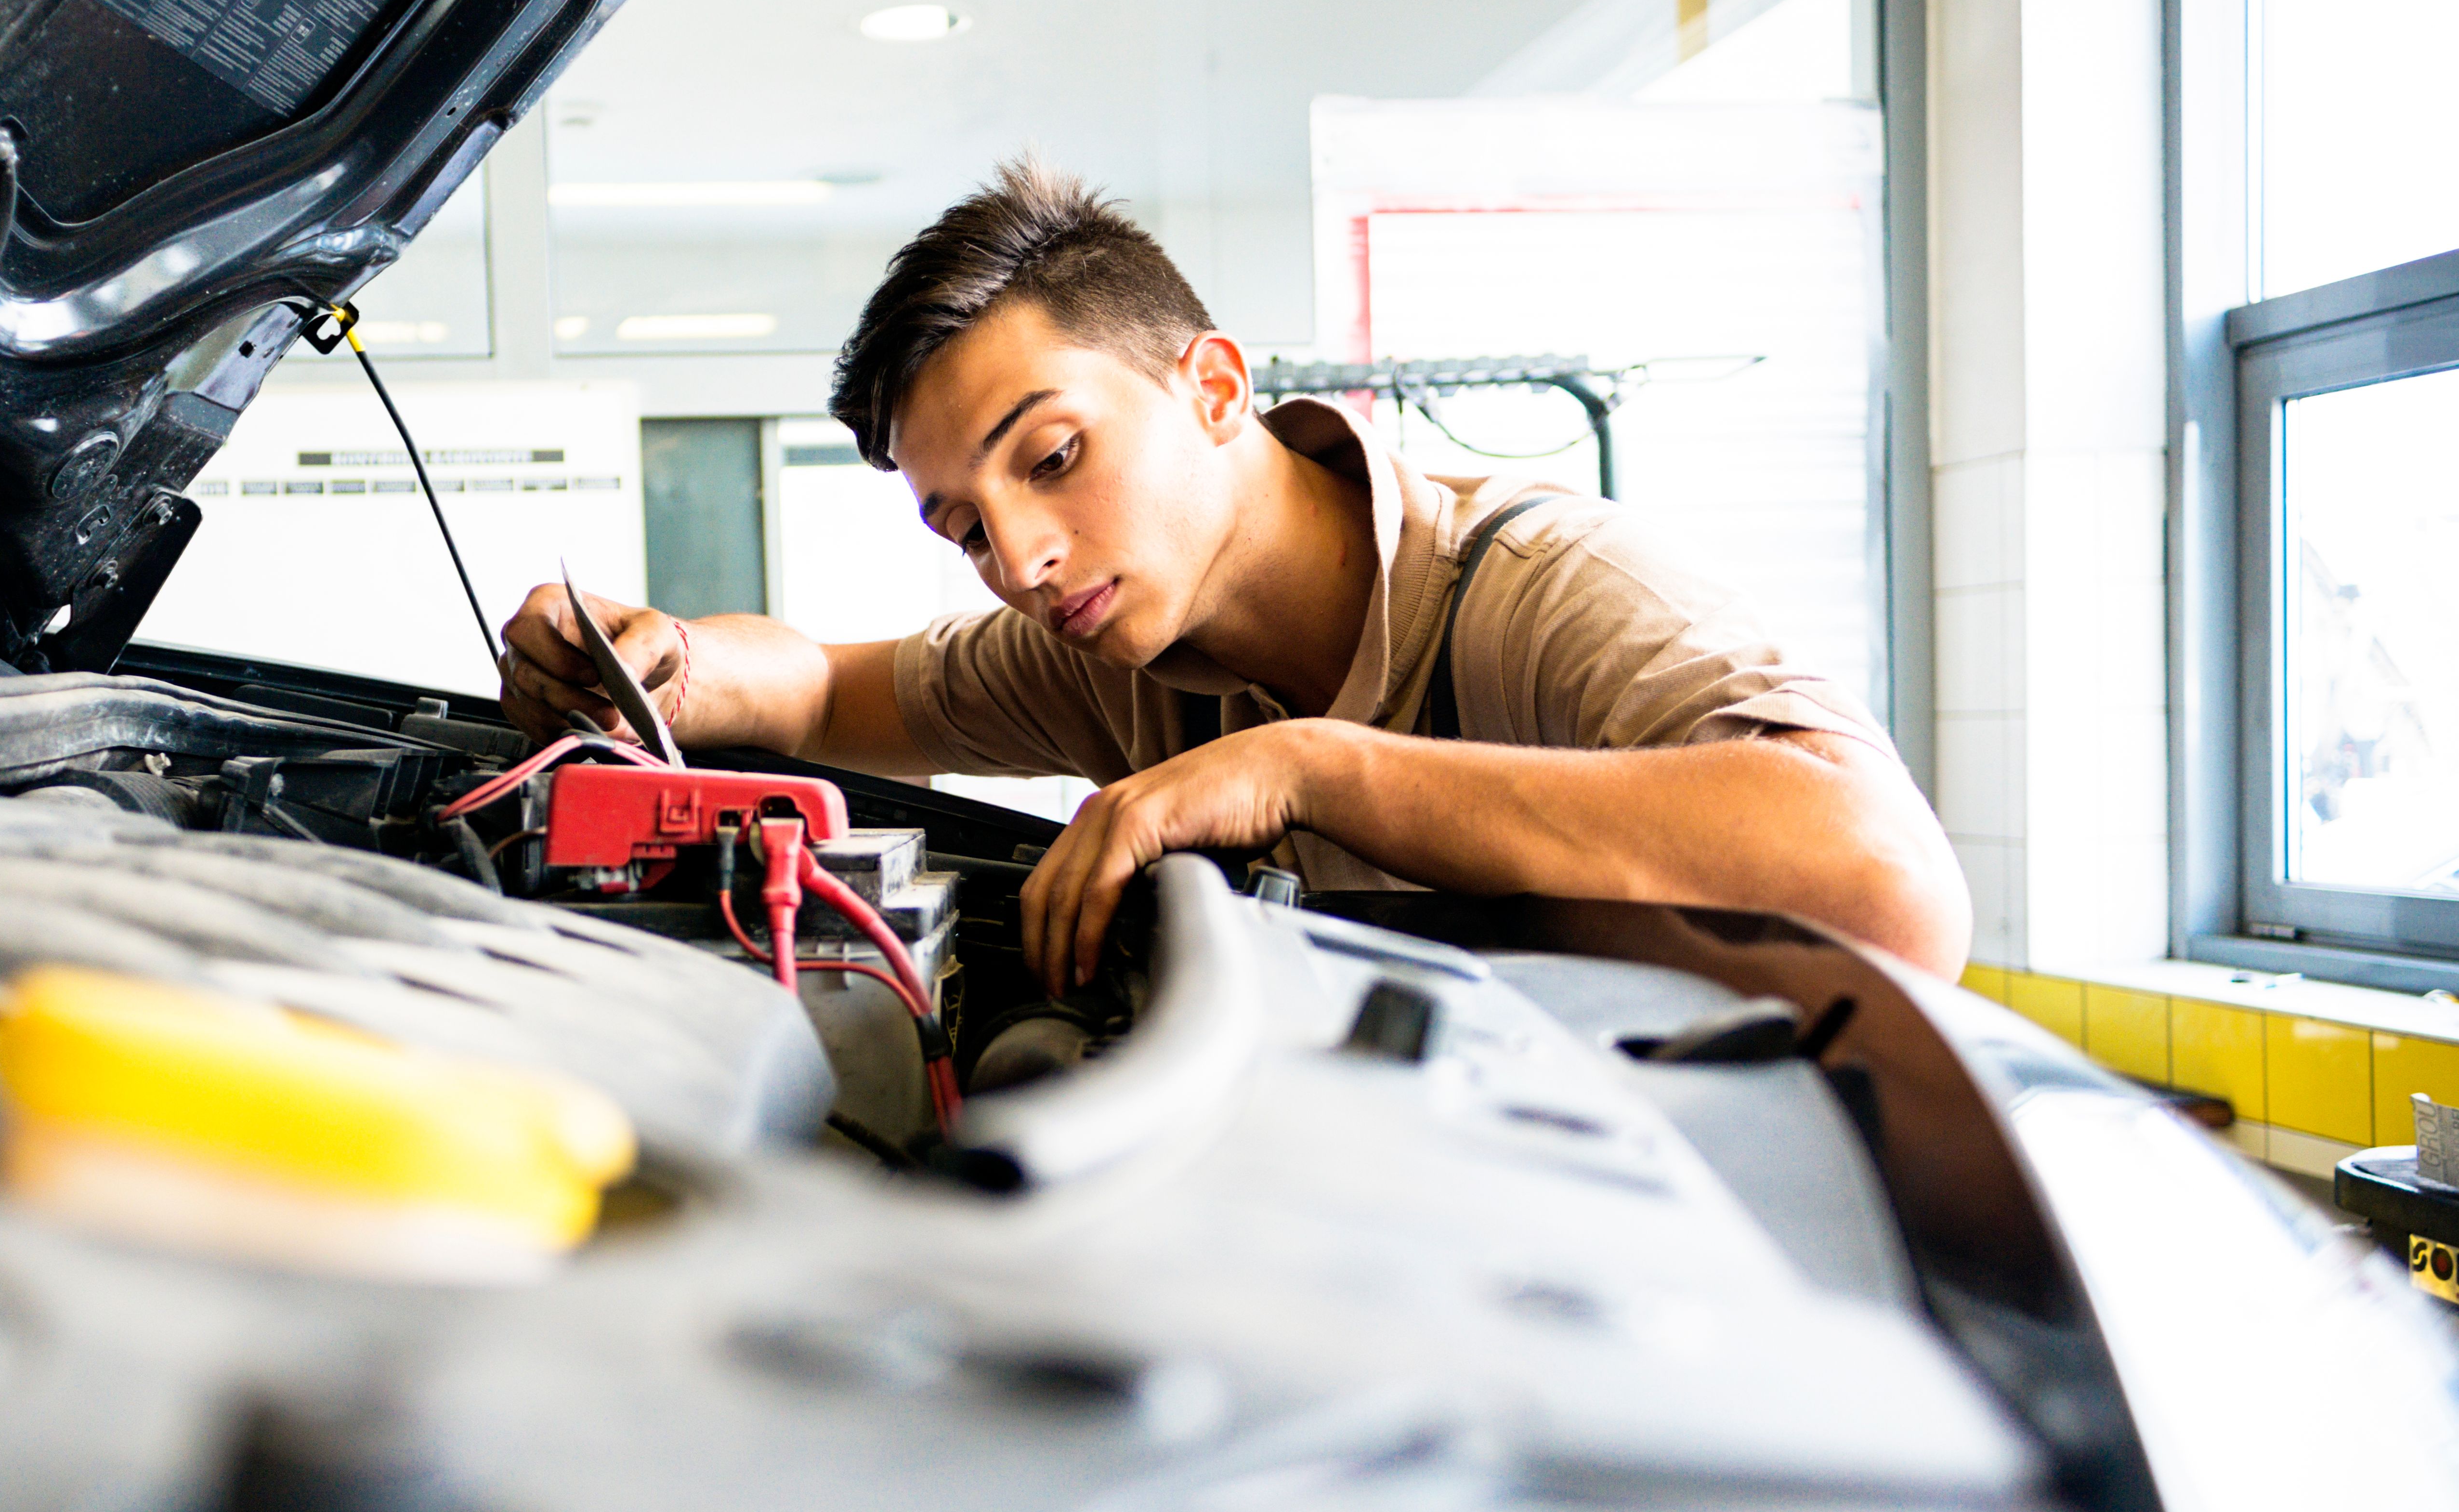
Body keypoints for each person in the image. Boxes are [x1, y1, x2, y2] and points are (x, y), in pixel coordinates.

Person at [499, 159, 1969, 992]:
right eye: (961, 526)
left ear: (1212, 385)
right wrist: (663, 661)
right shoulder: (1105, 650)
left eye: (1053, 457)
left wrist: (1313, 772)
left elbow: (1888, 883)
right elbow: (822, 685)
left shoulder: (1544, 584)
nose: (1018, 558)